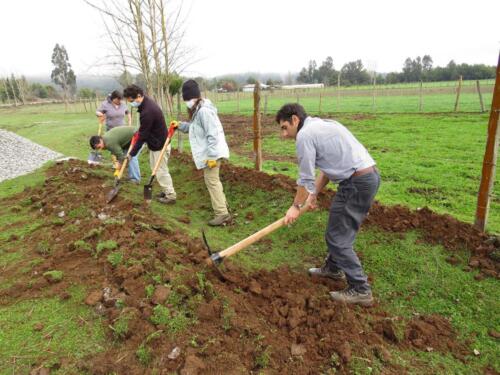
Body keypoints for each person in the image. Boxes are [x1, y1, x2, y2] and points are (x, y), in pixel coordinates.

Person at [278, 103, 380, 306]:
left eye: (284, 128)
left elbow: (305, 178)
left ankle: (361, 289)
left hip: (356, 183)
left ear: (295, 120)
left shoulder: (305, 135)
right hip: (368, 177)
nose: (283, 135)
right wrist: (313, 195)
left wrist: (296, 206)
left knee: (336, 236)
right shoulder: (322, 125)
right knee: (339, 230)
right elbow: (327, 168)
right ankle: (333, 269)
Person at [174, 79, 231, 226]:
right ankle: (223, 208)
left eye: (187, 99)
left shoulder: (204, 111)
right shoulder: (198, 111)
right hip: (210, 153)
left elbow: (213, 134)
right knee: (213, 181)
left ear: (193, 97)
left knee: (212, 181)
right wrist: (179, 125)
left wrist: (212, 156)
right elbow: (194, 129)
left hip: (213, 154)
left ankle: (222, 213)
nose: (187, 102)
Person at [123, 84, 176, 204]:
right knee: (155, 169)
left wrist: (132, 153)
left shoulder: (147, 111)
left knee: (161, 171)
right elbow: (144, 130)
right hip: (155, 143)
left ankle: (171, 195)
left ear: (138, 96)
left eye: (131, 101)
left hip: (160, 145)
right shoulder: (145, 104)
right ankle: (165, 190)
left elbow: (143, 136)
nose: (131, 103)